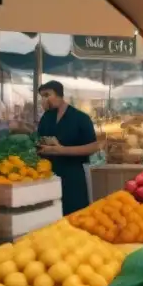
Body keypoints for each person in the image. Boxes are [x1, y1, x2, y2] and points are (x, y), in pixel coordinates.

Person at [37, 80, 100, 216]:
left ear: (60, 95)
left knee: (74, 215)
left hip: (73, 176)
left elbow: (93, 146)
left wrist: (61, 150)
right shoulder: (46, 118)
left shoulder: (80, 118)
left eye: (47, 95)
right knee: (49, 217)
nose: (44, 100)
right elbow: (39, 140)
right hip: (49, 176)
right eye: (42, 96)